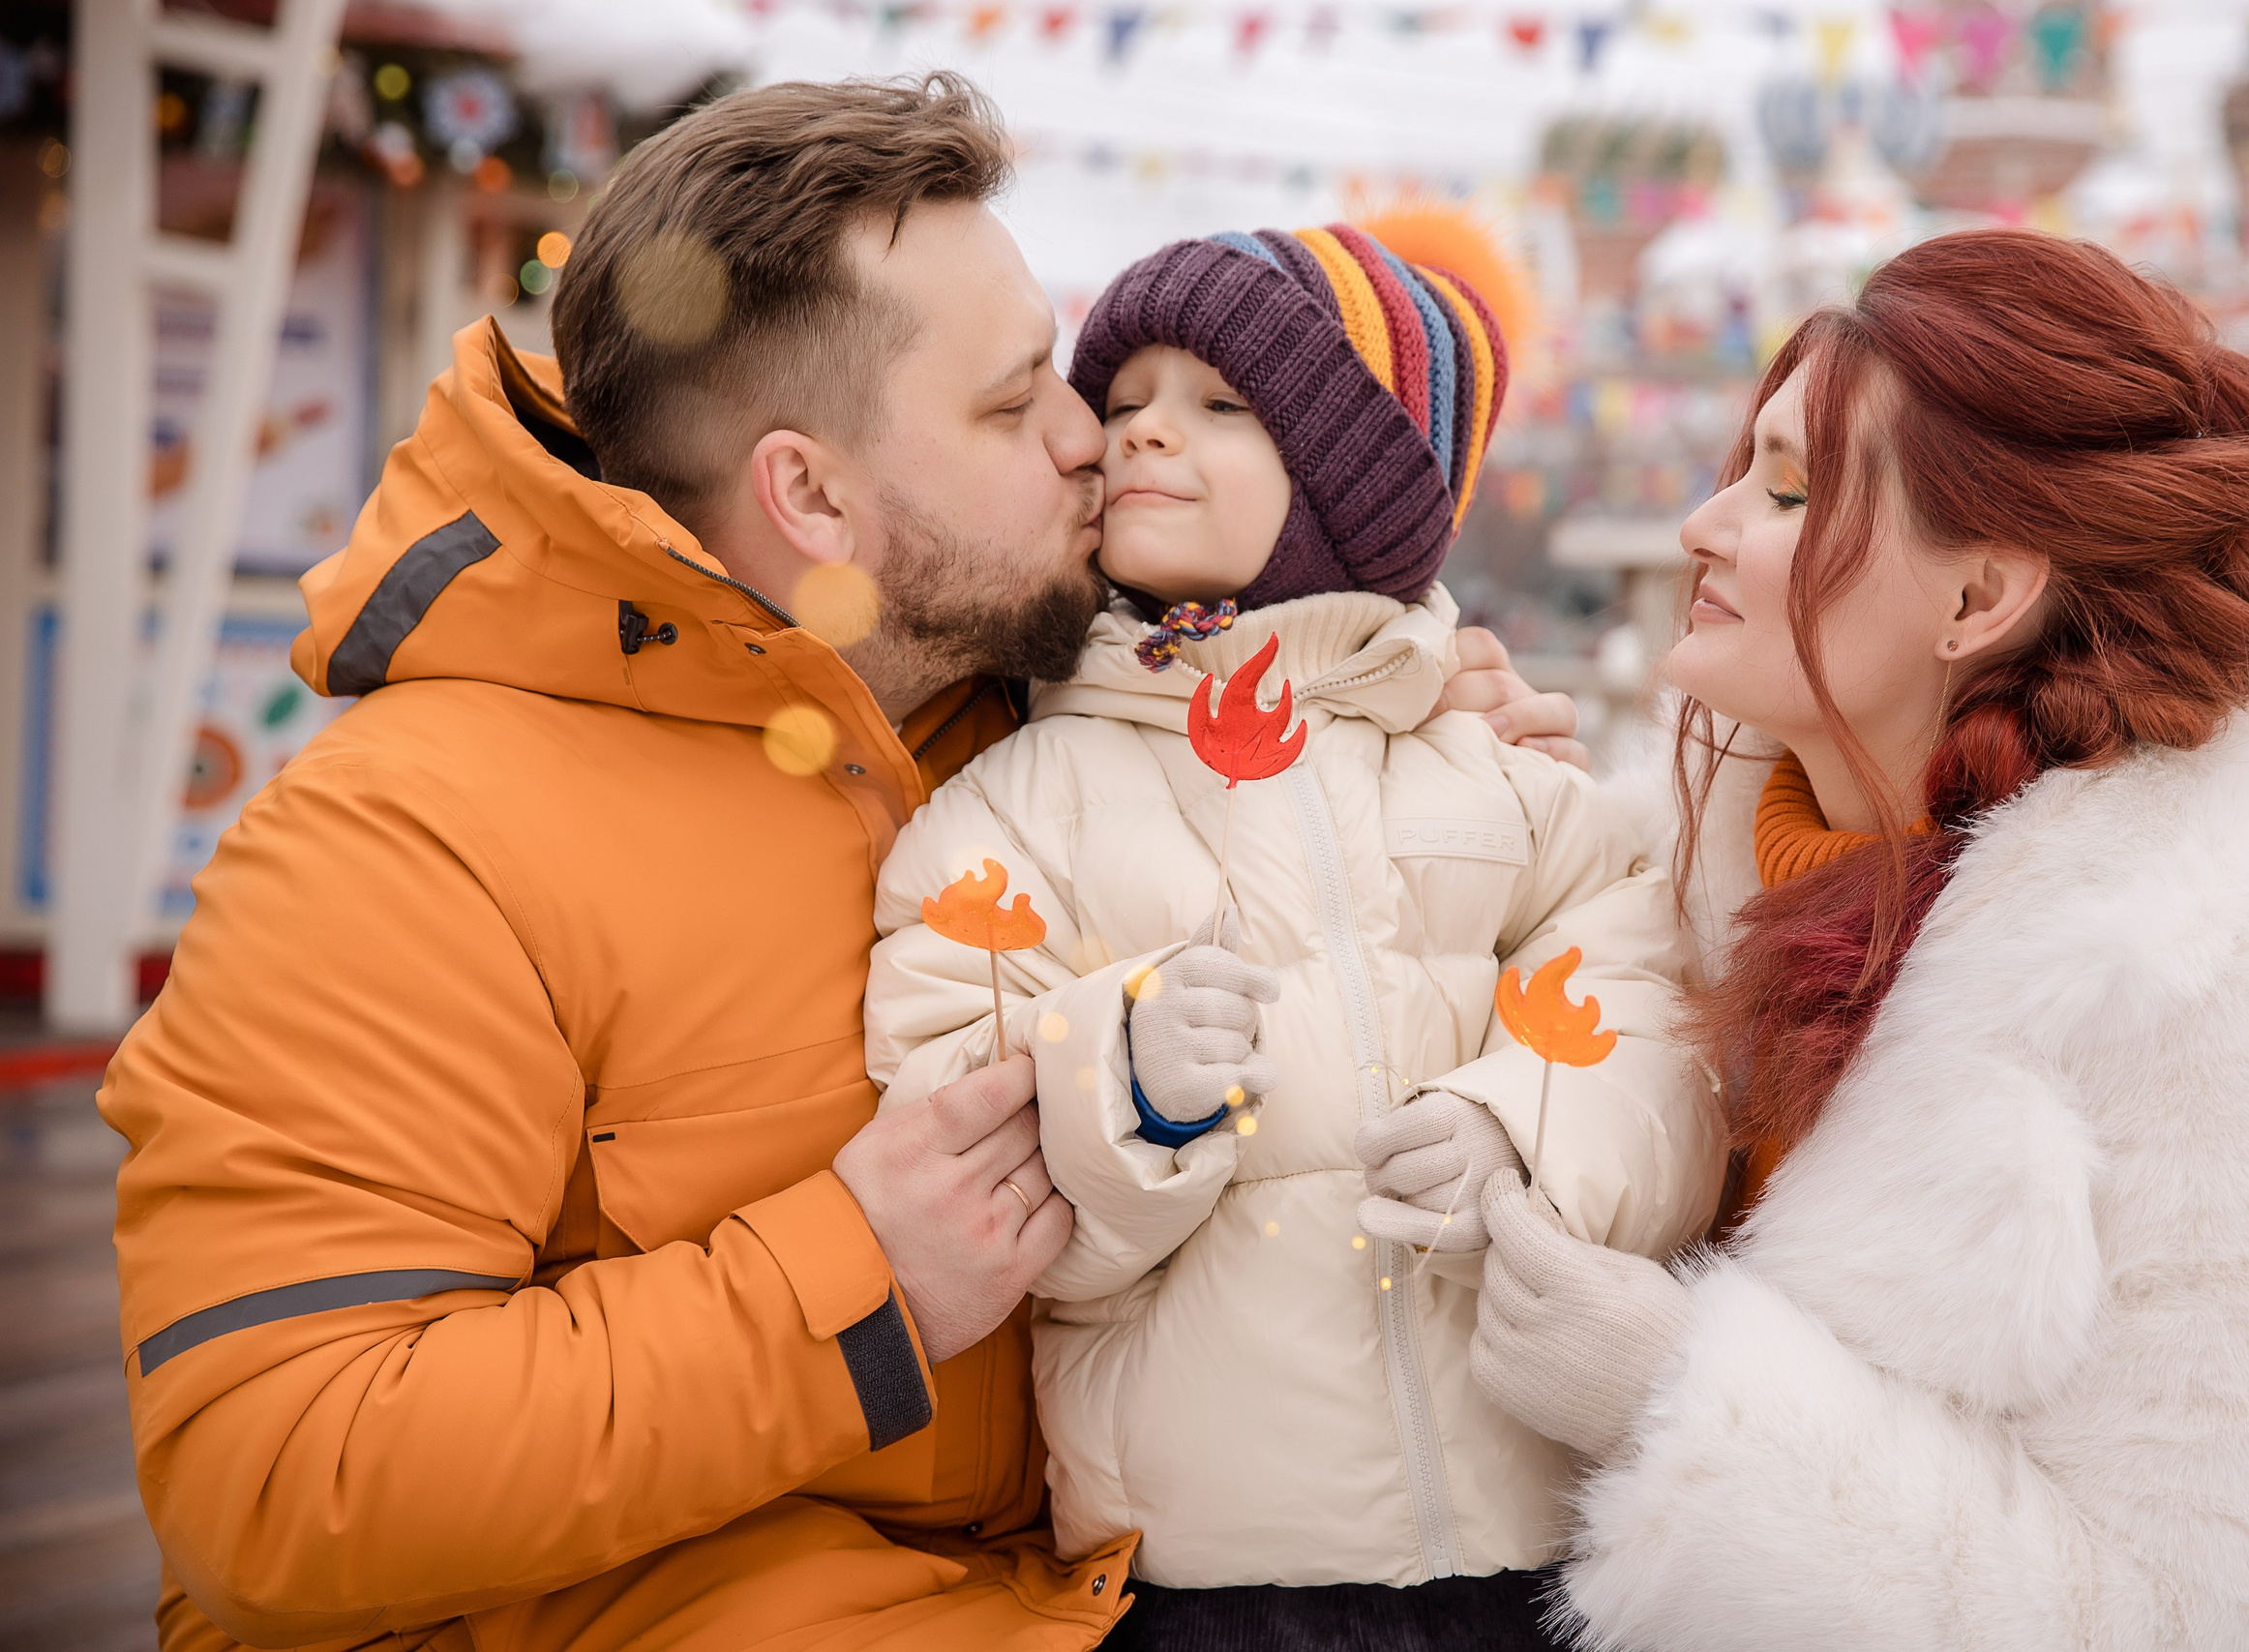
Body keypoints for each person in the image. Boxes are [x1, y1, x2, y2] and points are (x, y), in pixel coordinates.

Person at [97, 76, 1575, 1652]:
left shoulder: (1048, 716)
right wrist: (850, 1290)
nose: (1096, 438)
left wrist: (1403, 736)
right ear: (810, 494)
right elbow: (278, 1467)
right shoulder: (406, 843)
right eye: (1015, 409)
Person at [1465, 227, 2249, 1650]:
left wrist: (1679, 1405)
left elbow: (2227, 1619)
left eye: (1791, 487)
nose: (1707, 523)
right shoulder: (1670, 880)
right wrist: (1459, 788)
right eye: (1742, 468)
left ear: (1978, 598)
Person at [863, 218, 1724, 1650]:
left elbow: (1656, 1000)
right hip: (1212, 1574)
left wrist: (1529, 1129)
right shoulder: (1015, 810)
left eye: (1219, 406)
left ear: (1349, 490)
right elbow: (950, 1101)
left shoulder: (1481, 771)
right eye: (1121, 401)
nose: (1142, 435)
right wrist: (1117, 1085)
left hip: (1533, 1536)